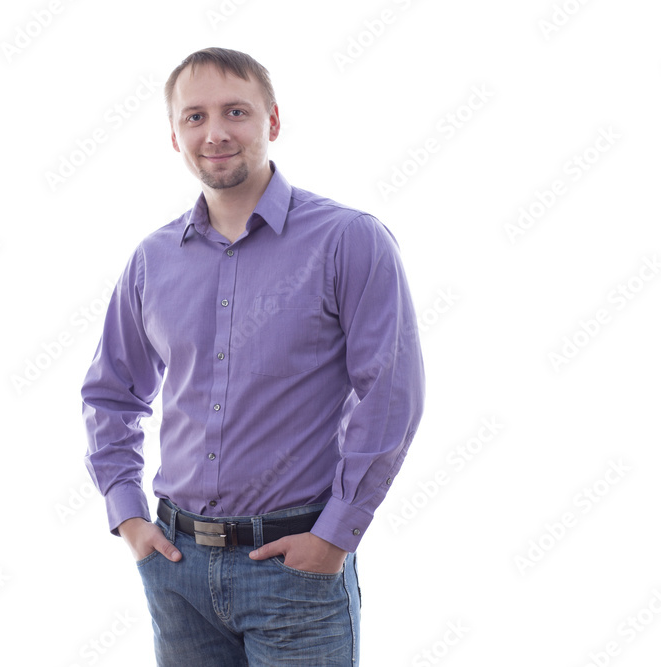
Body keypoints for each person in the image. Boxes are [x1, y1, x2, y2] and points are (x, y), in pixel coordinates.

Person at [80, 46, 425, 666]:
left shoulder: (349, 240)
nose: (214, 133)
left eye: (235, 112)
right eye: (195, 117)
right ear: (175, 135)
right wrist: (129, 517)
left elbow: (390, 395)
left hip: (296, 570)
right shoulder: (152, 260)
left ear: (272, 121)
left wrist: (335, 536)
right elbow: (111, 394)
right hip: (176, 570)